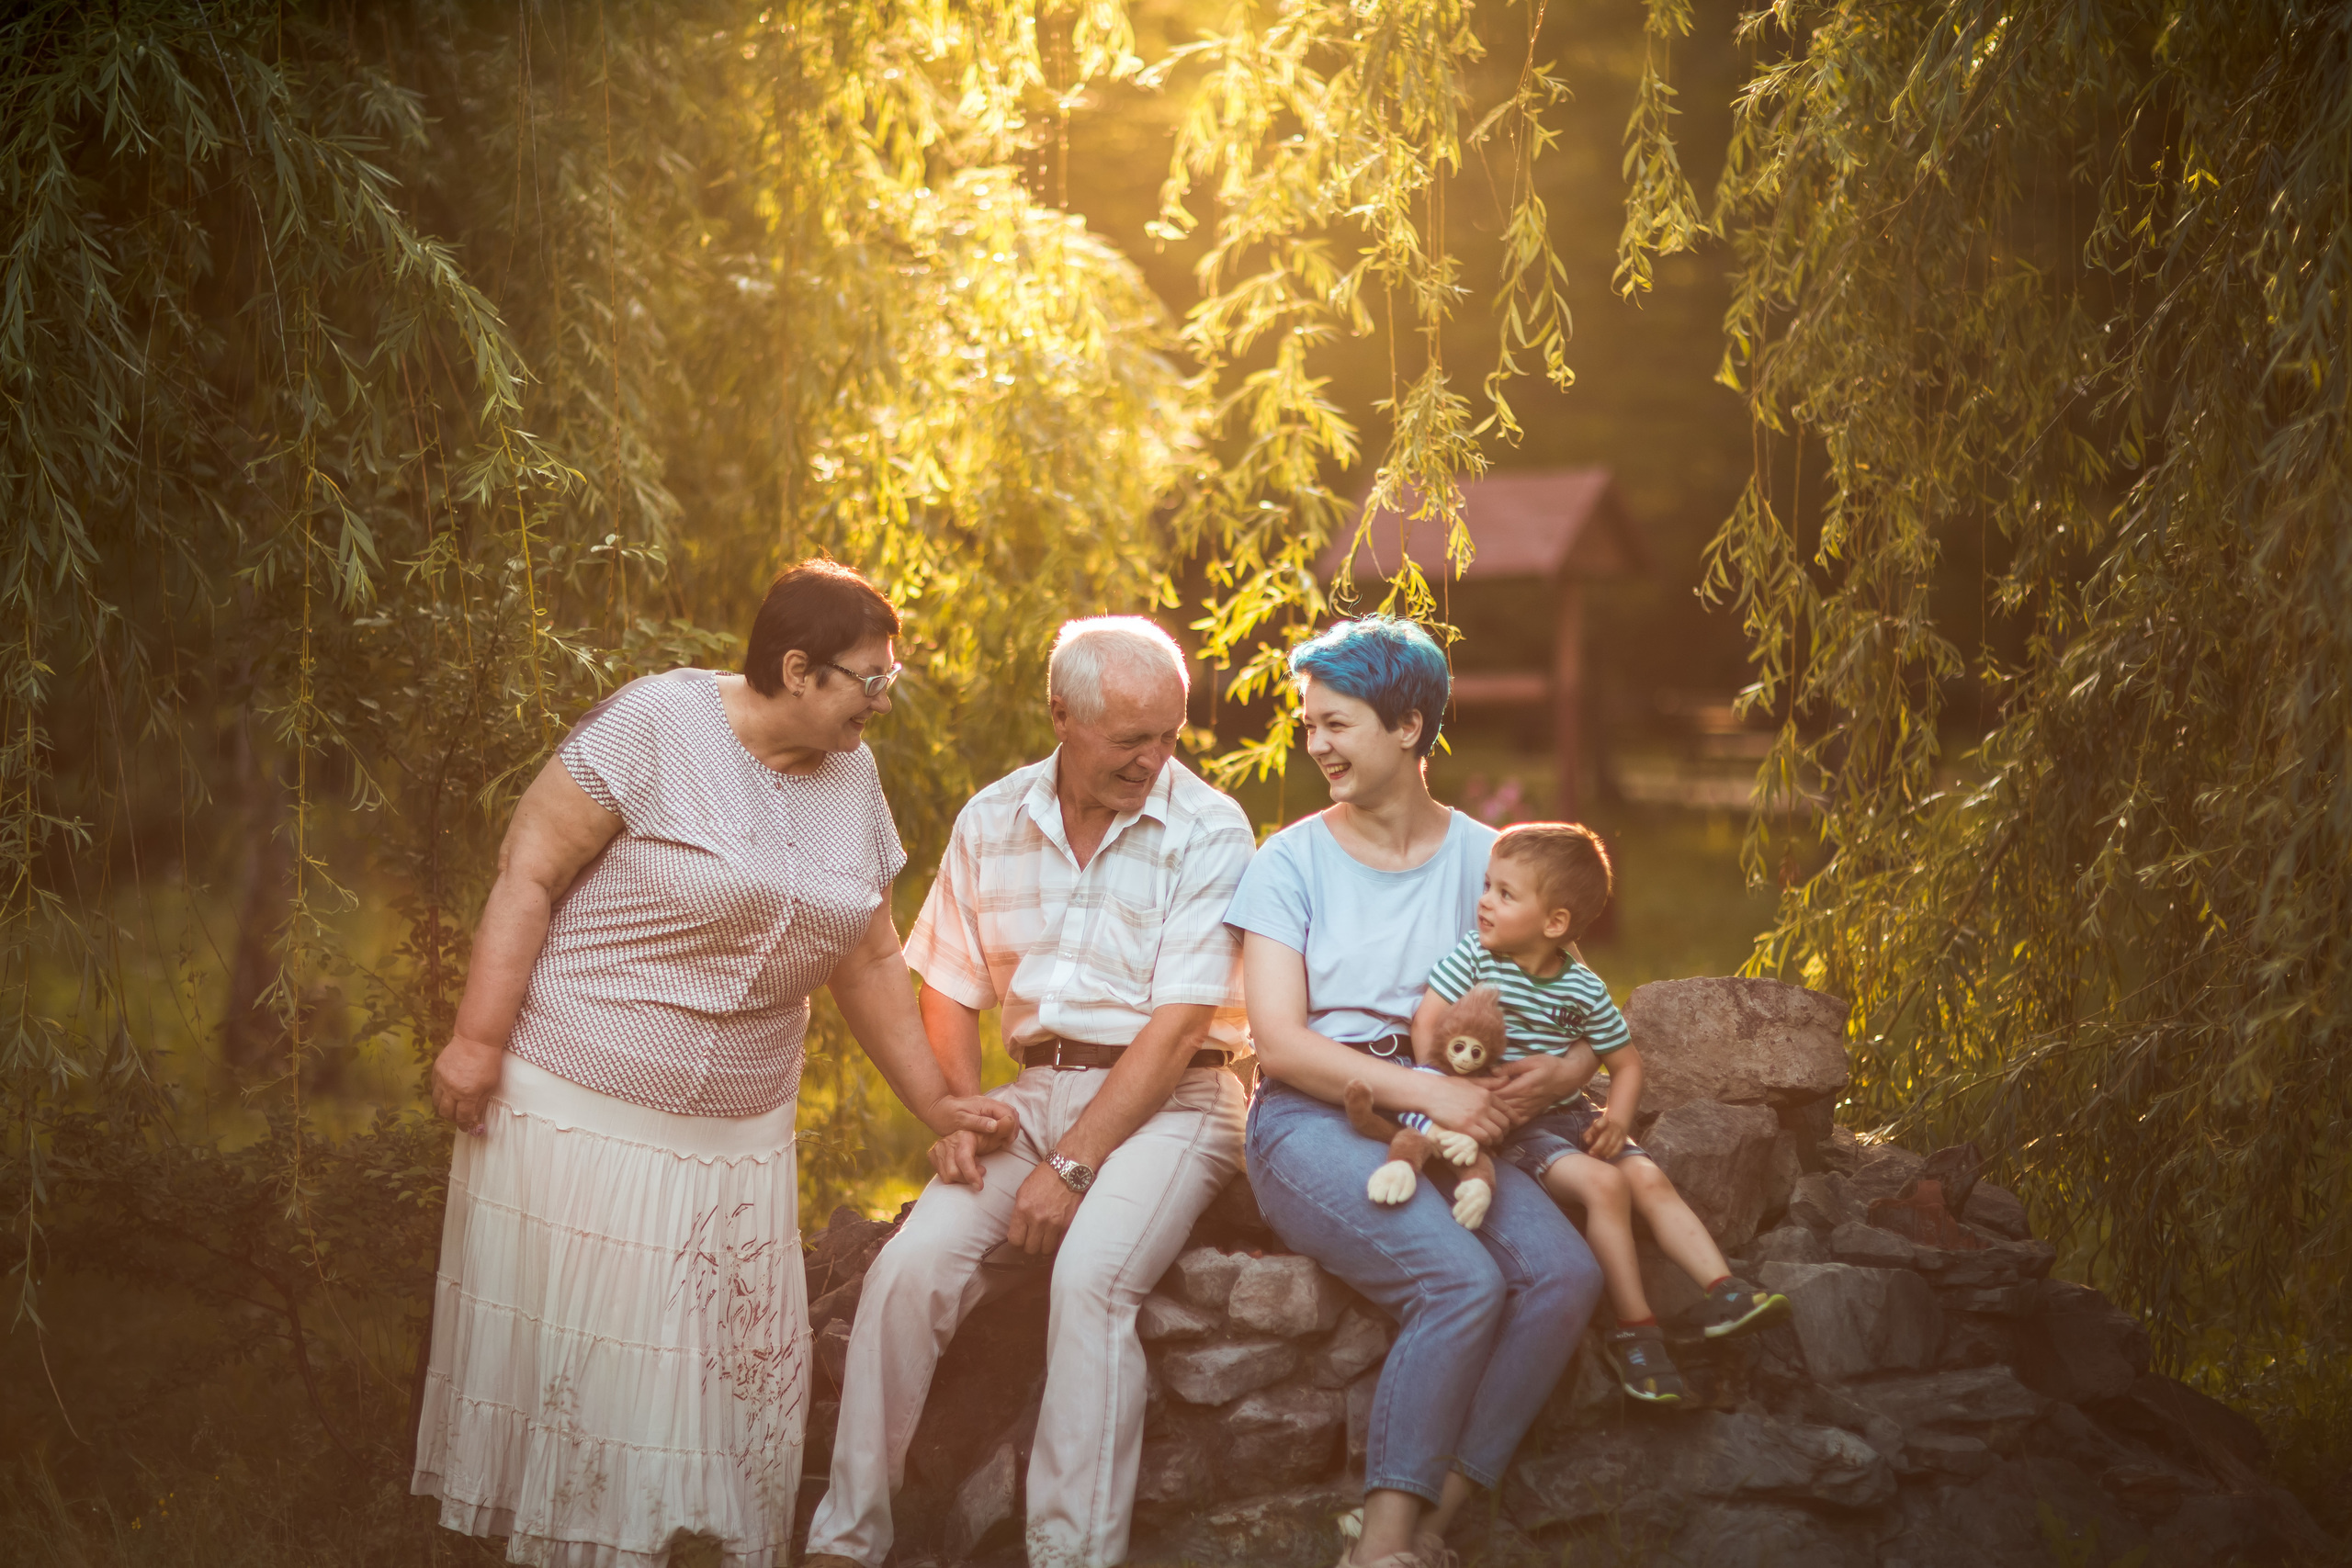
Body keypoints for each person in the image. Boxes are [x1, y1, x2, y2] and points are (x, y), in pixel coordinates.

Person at [413, 559, 1015, 1568]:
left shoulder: (849, 775)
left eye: (890, 680)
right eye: (870, 679)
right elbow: (530, 868)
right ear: (797, 669)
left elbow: (866, 957)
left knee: (725, 1372)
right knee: (598, 1368)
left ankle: (683, 1546)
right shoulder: (656, 723)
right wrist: (476, 1040)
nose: (883, 699)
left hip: (735, 1137)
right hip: (583, 1106)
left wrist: (942, 1107)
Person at [801, 616, 1254, 1568]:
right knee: (906, 1271)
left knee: (1091, 1278)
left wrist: (1074, 1165)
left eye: (1168, 735)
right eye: (1129, 738)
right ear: (1061, 714)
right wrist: (962, 1114)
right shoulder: (993, 817)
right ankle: (848, 1540)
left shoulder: (1210, 828)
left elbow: (1177, 1028)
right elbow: (949, 987)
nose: (1152, 758)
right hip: (1036, 1088)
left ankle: (1065, 1553)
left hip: (1177, 1097)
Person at [1223, 615, 1606, 1568]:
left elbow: (1567, 1007)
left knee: (1564, 1276)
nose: (1315, 745)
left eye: (1336, 723)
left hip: (1459, 1122)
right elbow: (1279, 1041)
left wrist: (1551, 1078)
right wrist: (1426, 1094)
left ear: (1407, 725)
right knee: (1458, 1279)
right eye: (1308, 724)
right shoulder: (1288, 863)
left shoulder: (1491, 858)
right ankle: (1381, 1548)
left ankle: (1437, 1524)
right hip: (1315, 1117)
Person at [1407, 821, 1791, 1406]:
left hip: (1570, 1117)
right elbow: (1426, 1028)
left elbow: (1627, 1065)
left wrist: (1616, 1118)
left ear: (1555, 923)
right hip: (1519, 1130)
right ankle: (1635, 1333)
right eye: (1488, 886)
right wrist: (1458, 1089)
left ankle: (1725, 1290)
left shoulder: (1582, 988)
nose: (1483, 901)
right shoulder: (1474, 962)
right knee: (1607, 1187)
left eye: (1505, 894)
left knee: (1648, 1176)